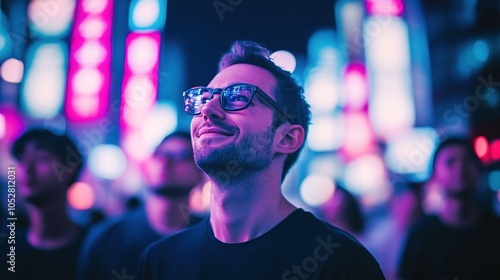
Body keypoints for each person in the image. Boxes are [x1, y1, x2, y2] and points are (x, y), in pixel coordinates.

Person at [137, 40, 385, 279]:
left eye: (237, 97)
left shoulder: (342, 264)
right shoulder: (159, 260)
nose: (207, 110)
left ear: (287, 138)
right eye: (203, 98)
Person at [76, 131, 205, 280]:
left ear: (200, 174)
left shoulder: (210, 240)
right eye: (159, 154)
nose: (165, 161)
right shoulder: (106, 237)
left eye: (181, 155)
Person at [398, 137, 500, 279]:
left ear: (477, 170)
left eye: (467, 160)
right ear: (435, 175)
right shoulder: (420, 237)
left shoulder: (495, 230)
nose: (460, 168)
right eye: (450, 162)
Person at [0, 128, 86, 280]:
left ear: (69, 169)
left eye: (40, 158)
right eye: (21, 160)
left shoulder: (93, 247)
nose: (27, 168)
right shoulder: (6, 250)